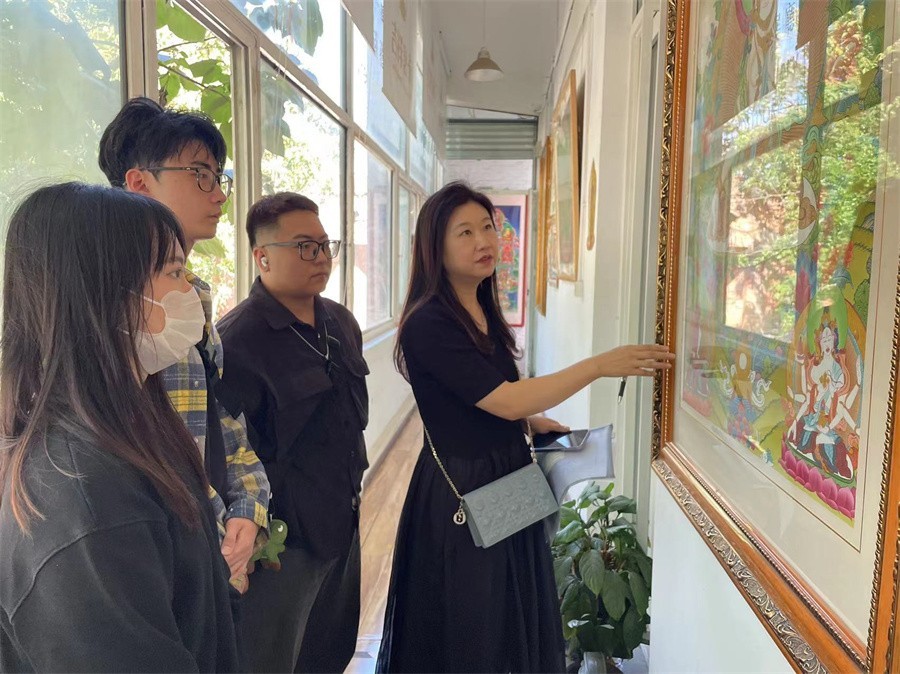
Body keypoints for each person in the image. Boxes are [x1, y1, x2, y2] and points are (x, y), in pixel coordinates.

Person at [376, 182, 674, 673]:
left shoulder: (480, 307)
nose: (483, 240)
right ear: (435, 247)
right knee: (472, 624)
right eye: (465, 232)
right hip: (464, 488)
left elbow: (481, 393)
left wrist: (530, 420)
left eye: (488, 227)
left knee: (511, 613)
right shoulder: (429, 322)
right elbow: (507, 397)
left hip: (506, 475)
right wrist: (599, 365)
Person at [0, 183, 239, 672]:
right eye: (174, 272)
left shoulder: (132, 424)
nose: (192, 292)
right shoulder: (82, 493)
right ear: (105, 292)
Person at [98, 97, 270, 593]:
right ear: (139, 183)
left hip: (209, 562)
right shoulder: (102, 311)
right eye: (200, 175)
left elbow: (222, 419)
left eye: (219, 178)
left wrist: (248, 509)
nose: (218, 195)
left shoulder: (193, 300)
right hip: (144, 569)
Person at [217, 192, 370, 673]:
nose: (321, 257)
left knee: (331, 649)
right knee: (272, 658)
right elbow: (228, 454)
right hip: (280, 544)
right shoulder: (237, 341)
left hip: (341, 519)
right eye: (305, 246)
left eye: (326, 245)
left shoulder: (340, 323)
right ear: (262, 257)